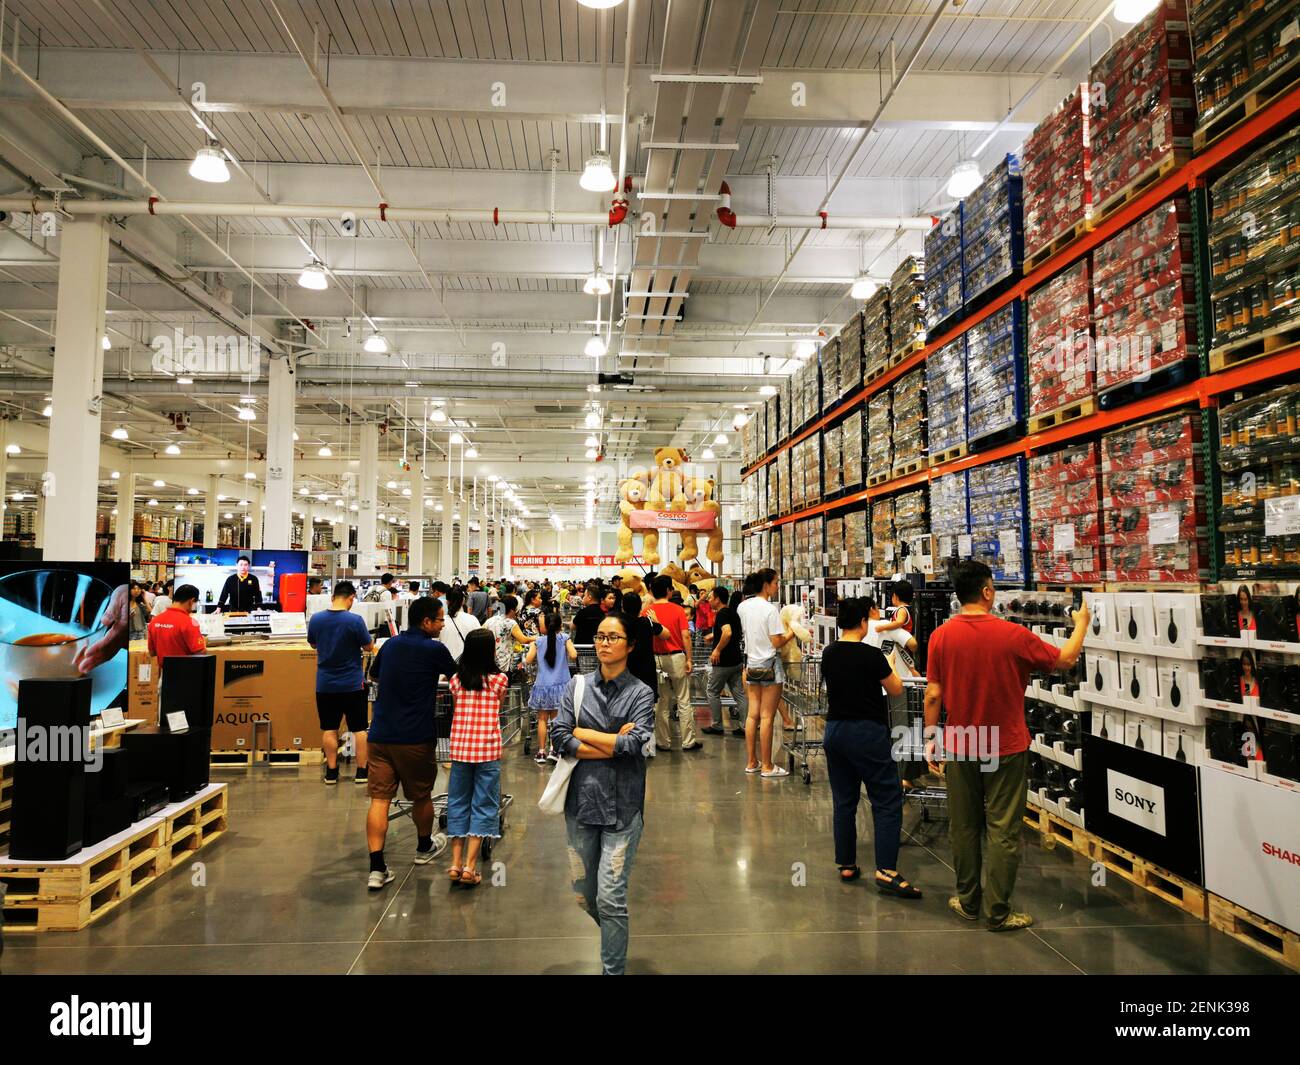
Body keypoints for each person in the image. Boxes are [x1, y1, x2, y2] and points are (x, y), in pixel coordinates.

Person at [924, 560, 1088, 931]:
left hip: (962, 742)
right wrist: (1081, 624)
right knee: (1003, 829)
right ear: (985, 592)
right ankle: (997, 911)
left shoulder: (942, 636)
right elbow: (1066, 659)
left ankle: (967, 902)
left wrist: (931, 740)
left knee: (964, 827)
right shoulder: (1012, 635)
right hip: (1005, 743)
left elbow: (933, 694)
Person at [549, 612, 656, 976]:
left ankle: (614, 970)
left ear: (630, 645)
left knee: (611, 898)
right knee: (585, 895)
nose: (604, 643)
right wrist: (610, 740)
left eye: (612, 637)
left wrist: (584, 732)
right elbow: (560, 737)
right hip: (581, 804)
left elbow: (633, 745)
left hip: (624, 807)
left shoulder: (641, 693)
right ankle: (614, 932)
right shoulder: (576, 687)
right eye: (599, 637)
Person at [821, 597, 920, 896]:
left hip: (835, 731)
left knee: (844, 800)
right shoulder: (870, 655)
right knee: (887, 799)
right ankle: (887, 870)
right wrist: (888, 664)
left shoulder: (829, 652)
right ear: (864, 622)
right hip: (867, 732)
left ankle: (847, 863)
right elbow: (896, 688)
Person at [364, 597, 457, 890]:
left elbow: (374, 674)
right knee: (421, 796)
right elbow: (457, 677)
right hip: (415, 736)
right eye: (440, 620)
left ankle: (377, 868)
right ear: (426, 622)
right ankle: (423, 847)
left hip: (379, 735)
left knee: (380, 800)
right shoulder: (434, 648)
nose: (443, 625)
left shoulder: (390, 645)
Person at [445, 628, 508, 888]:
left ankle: (455, 863)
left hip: (460, 750)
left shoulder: (456, 680)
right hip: (487, 750)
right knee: (483, 804)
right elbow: (499, 707)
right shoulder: (498, 680)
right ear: (491, 650)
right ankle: (471, 867)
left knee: (458, 802)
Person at [307, 580, 376, 786]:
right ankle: (362, 772)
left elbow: (312, 644)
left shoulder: (316, 619)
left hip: (325, 684)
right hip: (352, 684)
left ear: (332, 596)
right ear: (351, 597)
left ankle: (331, 772)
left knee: (329, 728)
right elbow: (368, 646)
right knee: (359, 729)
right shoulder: (355, 621)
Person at [738, 568, 792, 778]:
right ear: (766, 585)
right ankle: (768, 766)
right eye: (776, 582)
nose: (777, 586)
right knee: (767, 716)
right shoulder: (770, 610)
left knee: (753, 715)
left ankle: (752, 761)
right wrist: (791, 633)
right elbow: (776, 641)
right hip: (770, 664)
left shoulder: (743, 607)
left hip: (751, 663)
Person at [646, 573, 696, 752]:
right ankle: (688, 741)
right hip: (676, 658)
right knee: (683, 699)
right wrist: (689, 658)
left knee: (662, 701)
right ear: (668, 591)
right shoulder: (678, 610)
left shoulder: (647, 611)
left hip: (656, 659)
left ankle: (663, 741)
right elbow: (686, 635)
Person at [525, 610, 577, 765]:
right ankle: (554, 749)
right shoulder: (564, 638)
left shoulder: (539, 641)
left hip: (542, 684)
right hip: (561, 685)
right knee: (556, 719)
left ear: (545, 627)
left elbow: (528, 659)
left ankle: (541, 752)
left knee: (542, 719)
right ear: (560, 626)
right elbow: (574, 655)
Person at [702, 586, 748, 737]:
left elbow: (727, 633)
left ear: (717, 599)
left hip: (723, 662)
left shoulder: (722, 613)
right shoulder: (732, 613)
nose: (709, 600)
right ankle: (745, 726)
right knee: (739, 694)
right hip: (736, 660)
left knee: (712, 691)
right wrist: (714, 636)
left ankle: (717, 725)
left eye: (710, 597)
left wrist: (717, 650)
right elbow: (729, 631)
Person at [146, 584, 206, 676]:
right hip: (186, 675)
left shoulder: (155, 621)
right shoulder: (190, 622)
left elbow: (152, 652)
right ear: (192, 601)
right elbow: (200, 652)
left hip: (164, 675)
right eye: (196, 602)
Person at [619, 593, 661, 701]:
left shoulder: (619, 623)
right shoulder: (647, 623)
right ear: (640, 606)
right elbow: (664, 633)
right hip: (645, 668)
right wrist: (656, 622)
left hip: (624, 667)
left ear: (623, 606)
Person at [484, 595, 536, 675]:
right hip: (504, 661)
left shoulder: (490, 620)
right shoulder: (510, 623)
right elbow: (523, 640)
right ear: (512, 610)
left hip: (489, 659)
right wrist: (537, 638)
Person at [440, 588, 482, 662]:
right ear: (463, 601)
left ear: (447, 602)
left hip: (446, 665)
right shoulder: (472, 619)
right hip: (469, 664)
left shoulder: (440, 622)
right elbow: (480, 643)